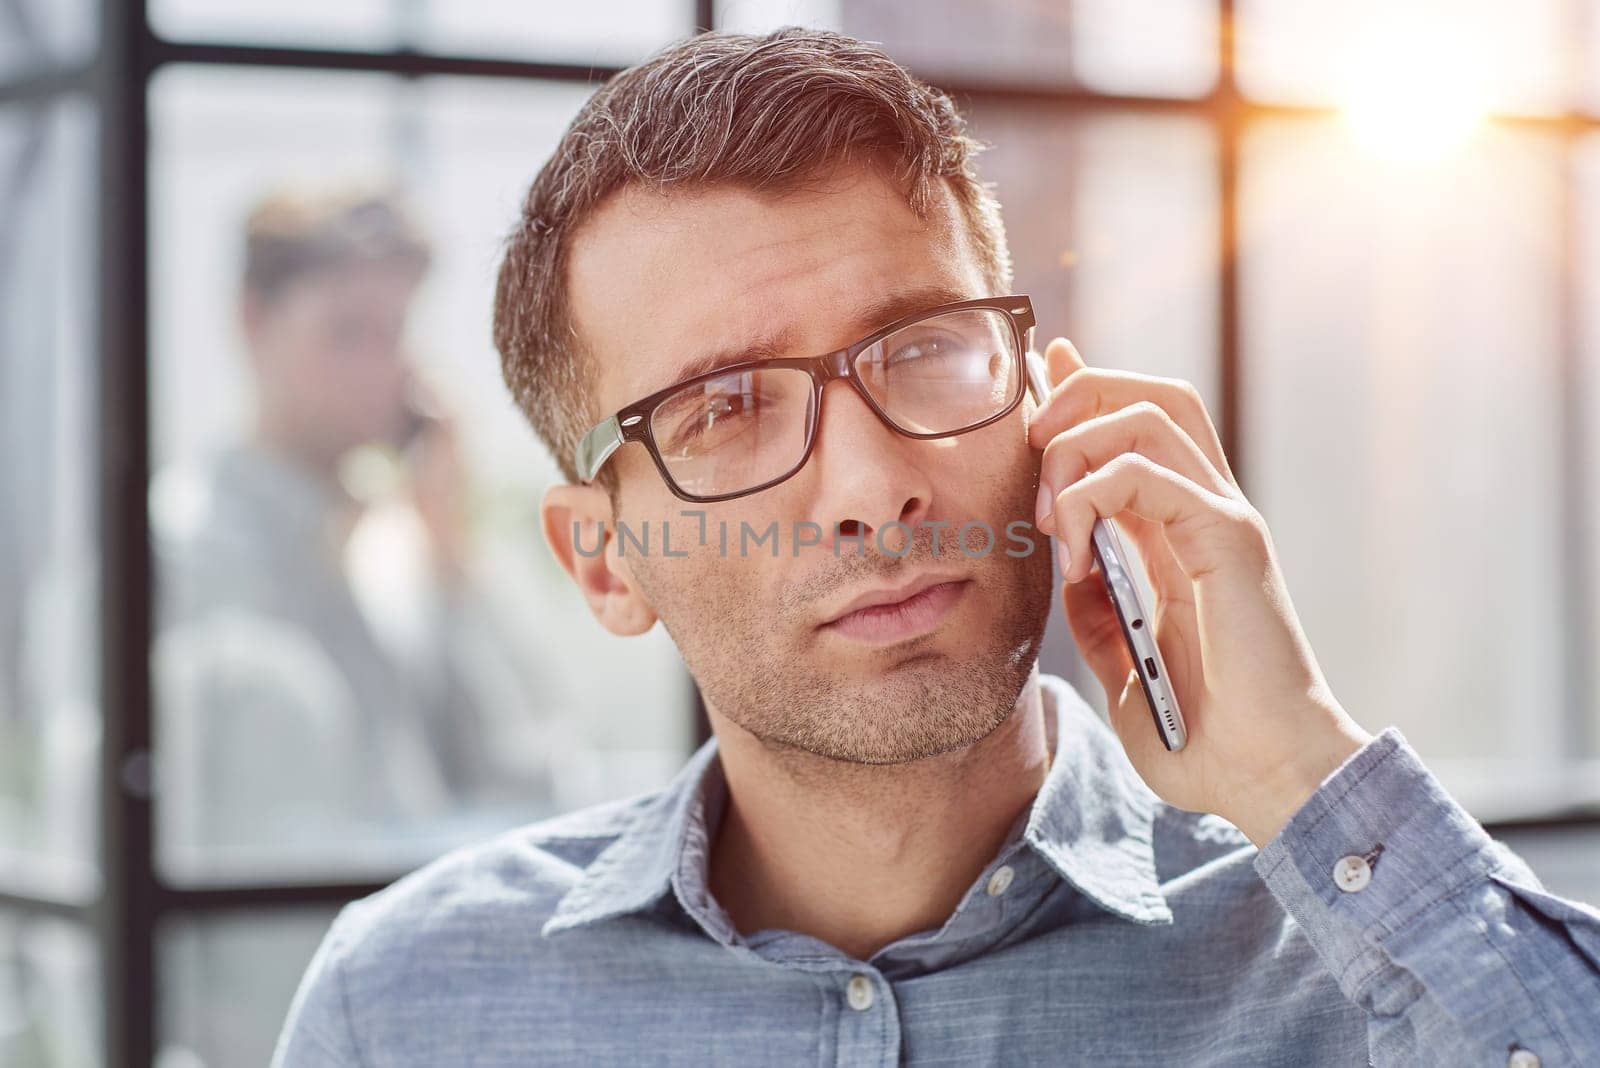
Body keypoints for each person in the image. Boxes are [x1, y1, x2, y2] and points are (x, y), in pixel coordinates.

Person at [272, 28, 1600, 1066]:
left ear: (1051, 401)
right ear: (603, 563)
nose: (872, 485)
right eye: (724, 409)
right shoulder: (404, 1010)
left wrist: (1302, 765)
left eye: (923, 349)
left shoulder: (1364, 967)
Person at [152, 187, 563, 878]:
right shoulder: (182, 551)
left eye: (395, 332)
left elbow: (533, 780)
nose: (380, 368)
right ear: (253, 322)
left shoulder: (407, 551)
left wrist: (448, 549)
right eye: (345, 332)